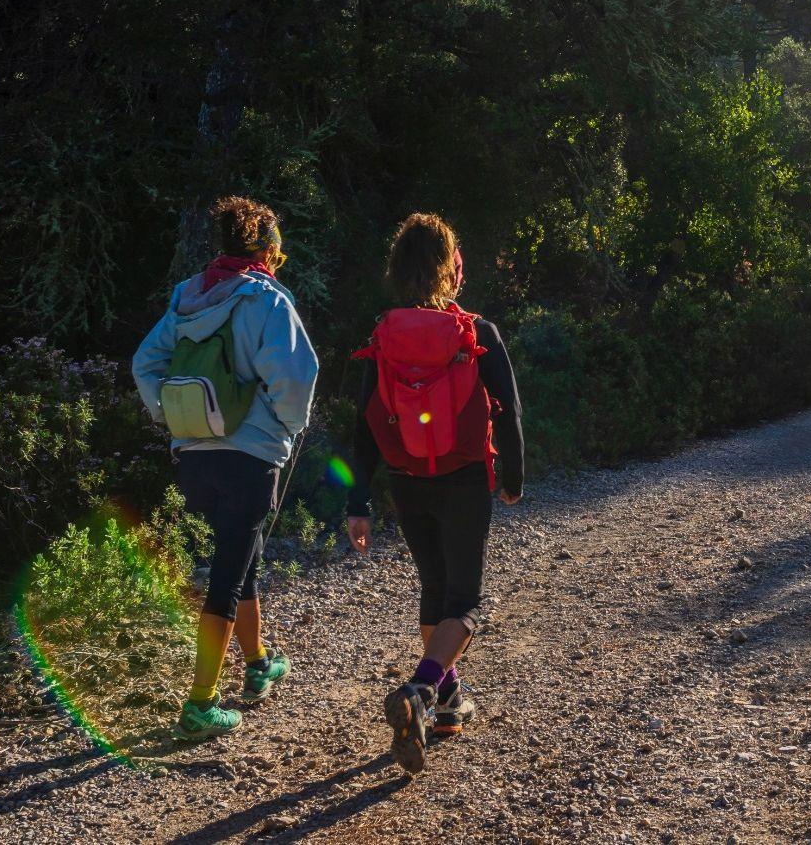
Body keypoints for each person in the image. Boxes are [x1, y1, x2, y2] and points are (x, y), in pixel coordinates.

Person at [132, 195, 320, 739]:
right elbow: (294, 375)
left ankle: (258, 663)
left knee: (243, 555)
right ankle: (201, 703)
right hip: (251, 452)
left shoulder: (189, 295)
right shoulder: (266, 299)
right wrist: (287, 428)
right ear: (267, 246)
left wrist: (172, 416)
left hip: (193, 454)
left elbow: (146, 362)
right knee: (229, 571)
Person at [344, 212, 523, 772]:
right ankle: (420, 690)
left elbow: (365, 421)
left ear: (398, 268)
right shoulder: (477, 332)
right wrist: (513, 477)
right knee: (465, 601)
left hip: (406, 480)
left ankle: (447, 701)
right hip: (464, 477)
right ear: (452, 267)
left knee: (434, 587)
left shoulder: (385, 333)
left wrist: (357, 502)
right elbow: (510, 411)